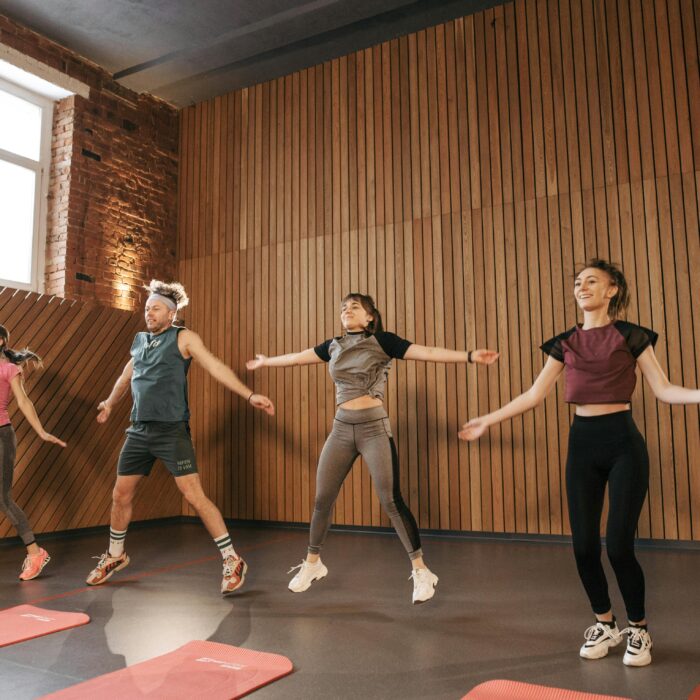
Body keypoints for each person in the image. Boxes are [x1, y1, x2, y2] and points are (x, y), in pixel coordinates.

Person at [459, 259, 700, 666]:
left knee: (620, 545)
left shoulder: (631, 335)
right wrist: (488, 419)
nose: (582, 286)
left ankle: (638, 630)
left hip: (624, 442)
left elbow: (664, 389)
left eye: (592, 281)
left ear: (612, 290)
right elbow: (534, 395)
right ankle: (605, 623)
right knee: (583, 546)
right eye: (577, 282)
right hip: (582, 444)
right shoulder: (564, 343)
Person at [247, 293, 498, 603]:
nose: (347, 310)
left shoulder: (384, 342)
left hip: (373, 428)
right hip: (341, 429)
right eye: (343, 307)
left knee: (390, 500)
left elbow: (428, 351)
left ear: (369, 317)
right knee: (322, 498)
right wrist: (266, 361)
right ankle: (313, 563)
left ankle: (421, 571)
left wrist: (470, 356)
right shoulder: (333, 346)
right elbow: (298, 357)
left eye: (355, 306)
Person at [86, 280, 274, 594]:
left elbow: (215, 366)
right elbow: (125, 377)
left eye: (155, 308)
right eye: (147, 309)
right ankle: (115, 556)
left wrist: (249, 394)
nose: (149, 313)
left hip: (171, 430)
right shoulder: (140, 341)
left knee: (194, 496)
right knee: (120, 495)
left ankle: (231, 559)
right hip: (138, 430)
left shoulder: (183, 337)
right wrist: (109, 402)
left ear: (171, 313)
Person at [0, 324, 66, 580]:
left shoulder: (9, 369)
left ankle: (35, 552)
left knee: (3, 499)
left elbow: (23, 401)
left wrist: (40, 431)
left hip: (2, 436)